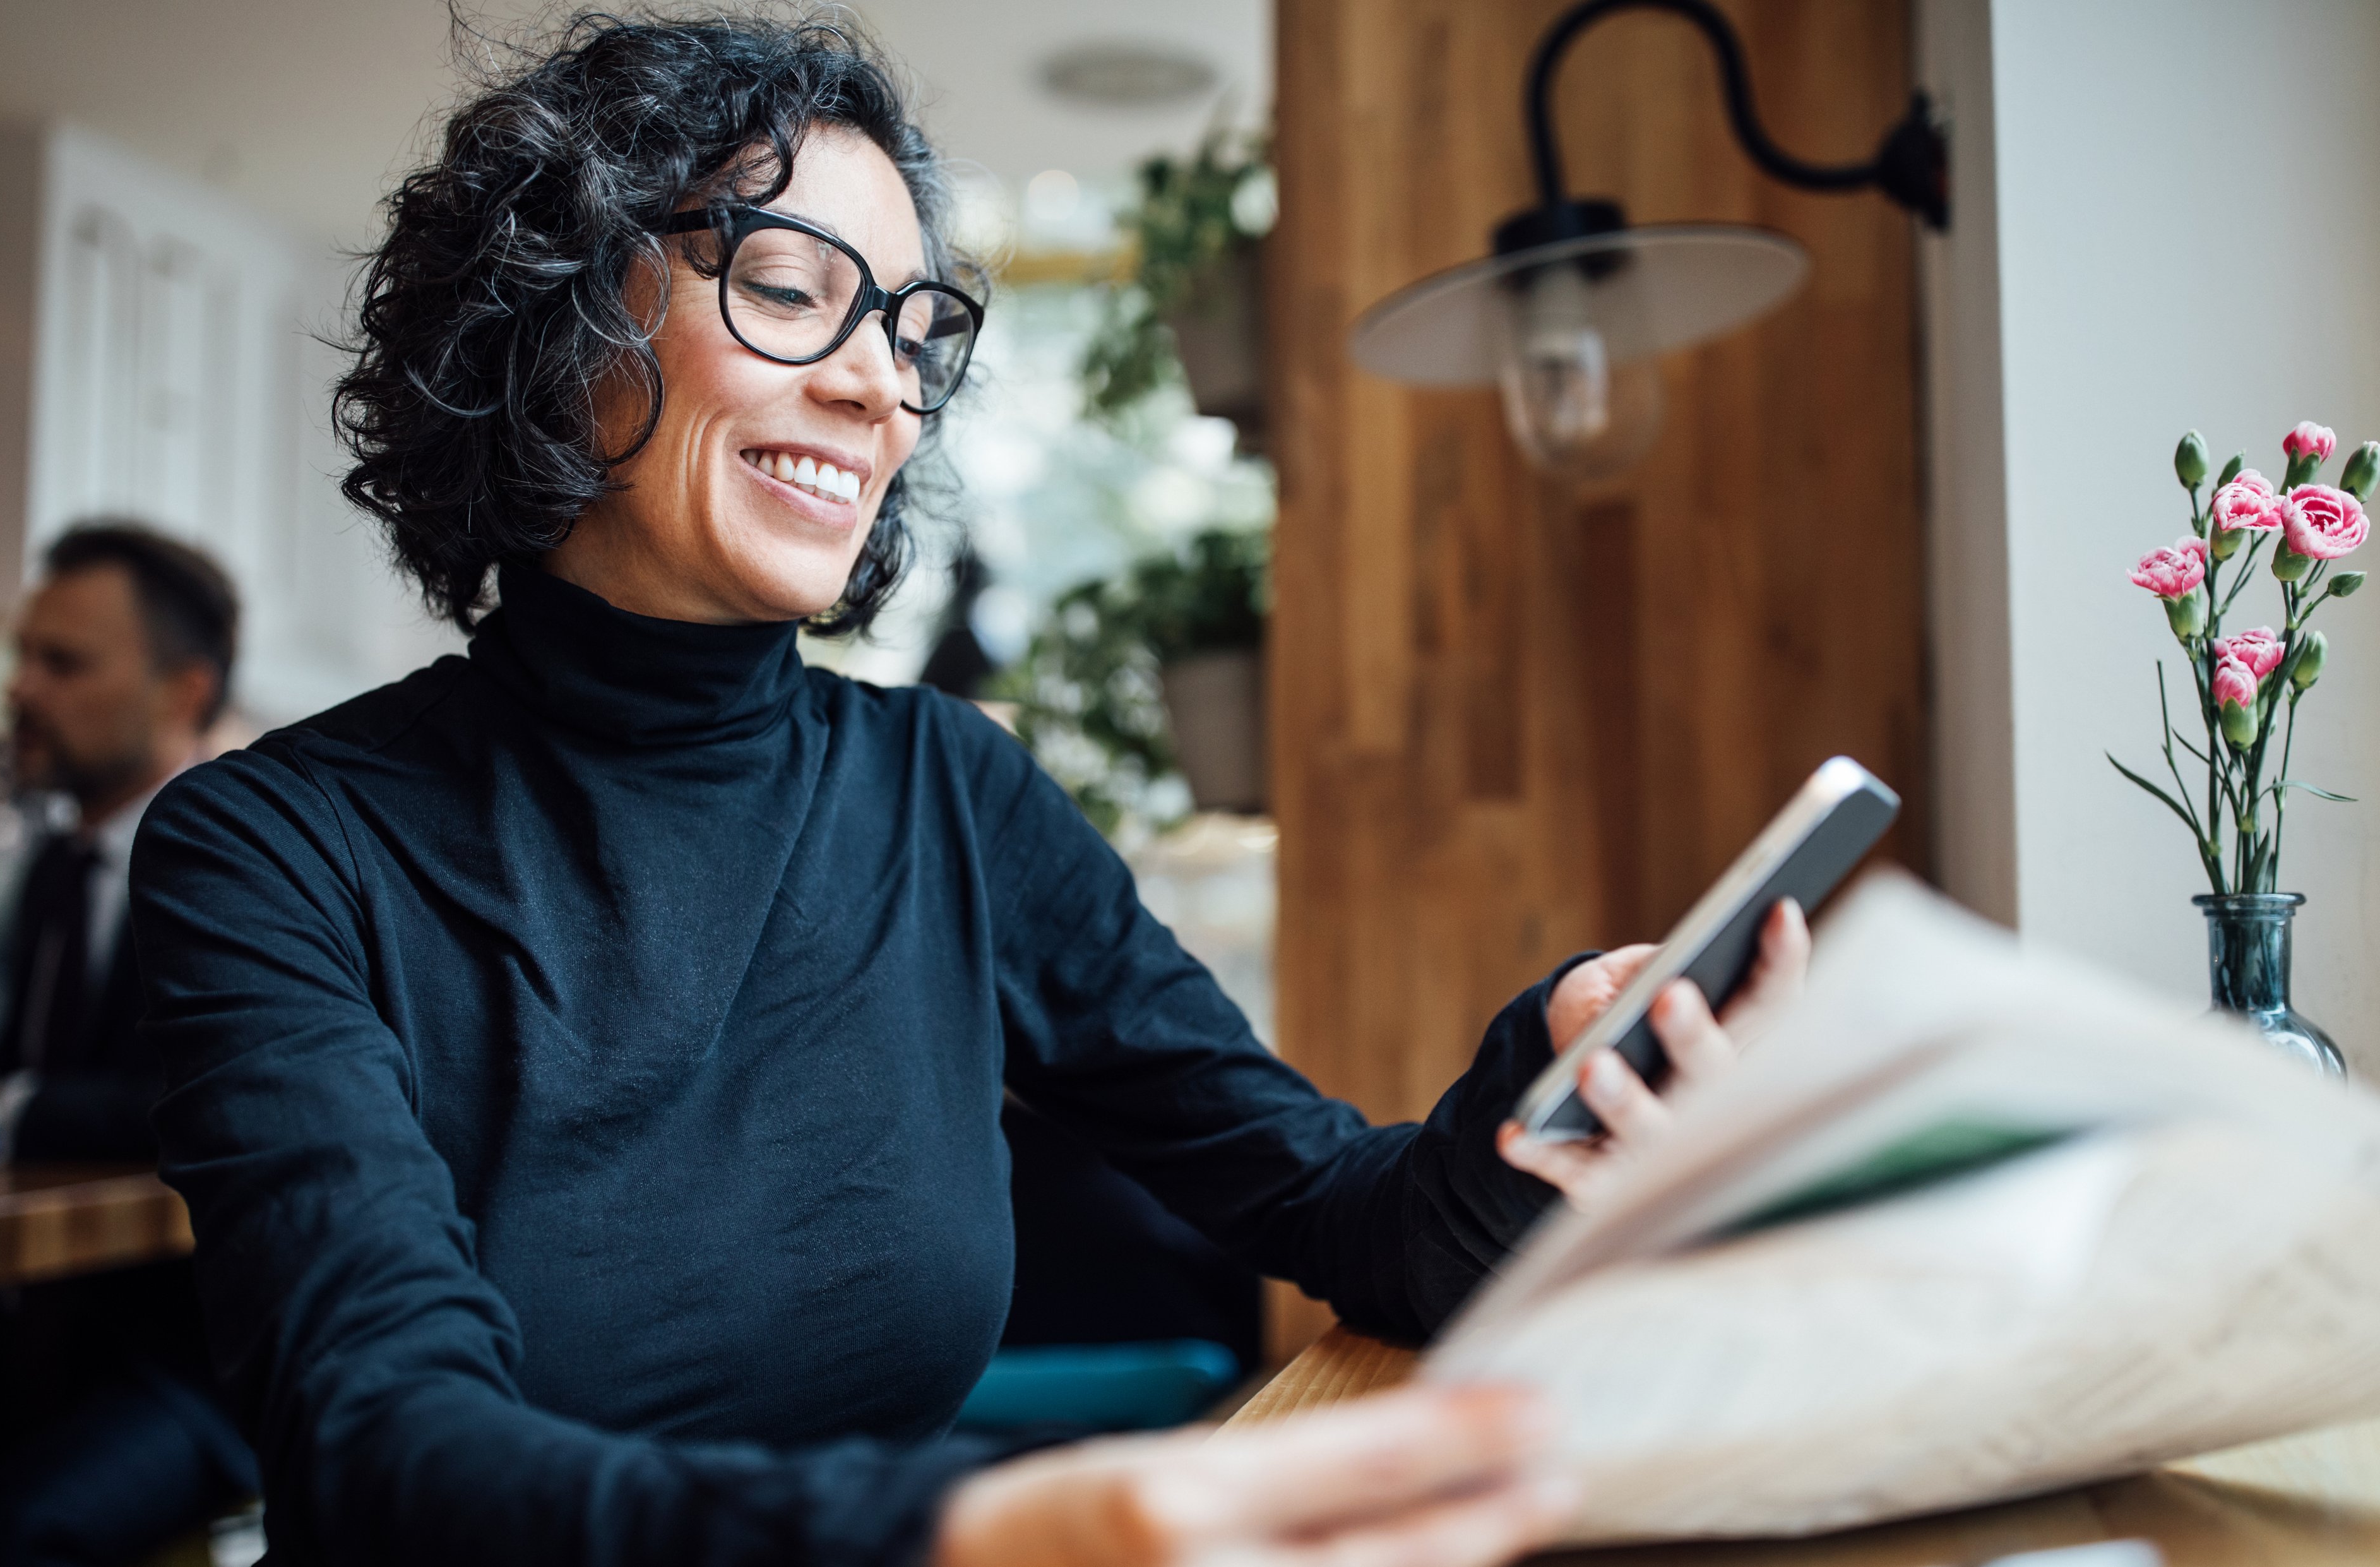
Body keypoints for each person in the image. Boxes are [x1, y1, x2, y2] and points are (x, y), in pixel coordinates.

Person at [128, 15, 1809, 1567]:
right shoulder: (271, 850)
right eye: (791, 287)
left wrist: (1560, 1075)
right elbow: (388, 1451)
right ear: (560, 314)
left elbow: (1342, 1209)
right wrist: (993, 1527)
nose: (878, 385)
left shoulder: (952, 795)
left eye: (912, 326)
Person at [0, 523, 258, 1564]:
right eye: (24, 654)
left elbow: (211, 1097)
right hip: (37, 1333)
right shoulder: (56, 867)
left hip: (193, 1362)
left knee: (2, 1531)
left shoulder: (248, 883)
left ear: (183, 691)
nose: (19, 686)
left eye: (63, 661)